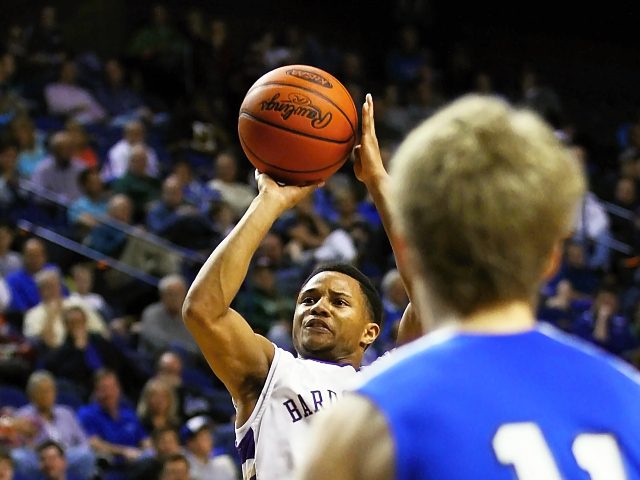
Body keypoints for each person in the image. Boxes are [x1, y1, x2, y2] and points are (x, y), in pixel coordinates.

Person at [299, 95, 640, 479]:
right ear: (551, 259)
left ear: (410, 252)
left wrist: (380, 181)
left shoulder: (372, 417)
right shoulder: (630, 399)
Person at [182, 154, 383, 479]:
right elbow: (203, 310)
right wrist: (269, 202)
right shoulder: (273, 371)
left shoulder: (389, 379)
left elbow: (436, 309)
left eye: (339, 302)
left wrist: (380, 187)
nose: (319, 307)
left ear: (369, 332)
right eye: (309, 299)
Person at [12, 371, 95, 479]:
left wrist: (62, 457)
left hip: (66, 455)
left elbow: (83, 440)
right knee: (18, 457)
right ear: (31, 395)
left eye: (49, 391)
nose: (46, 395)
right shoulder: (22, 415)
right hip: (38, 457)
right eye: (40, 391)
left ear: (55, 393)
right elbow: (17, 445)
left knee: (86, 455)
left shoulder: (66, 412)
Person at [181, 415, 237, 480]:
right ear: (190, 443)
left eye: (208, 434)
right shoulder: (184, 467)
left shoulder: (224, 463)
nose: (208, 439)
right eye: (202, 436)